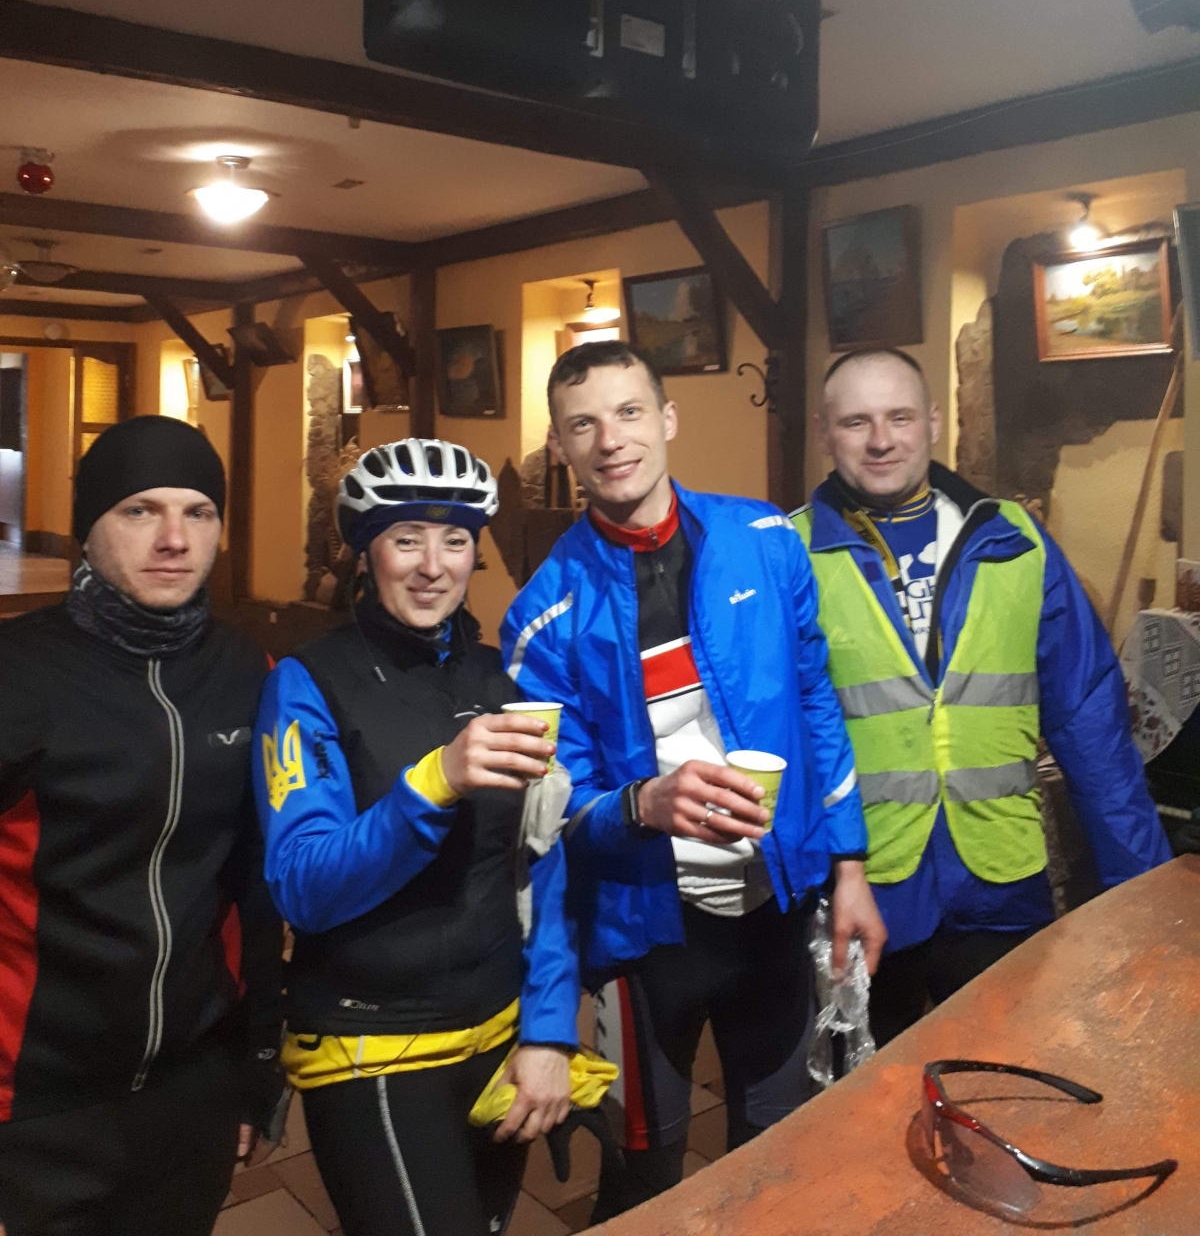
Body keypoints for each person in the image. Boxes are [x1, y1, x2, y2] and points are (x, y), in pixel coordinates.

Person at [501, 341, 885, 1217]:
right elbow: (552, 814)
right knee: (644, 1175)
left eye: (629, 412)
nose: (611, 440)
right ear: (560, 447)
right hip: (646, 939)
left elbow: (817, 704)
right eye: (583, 425)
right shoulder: (541, 615)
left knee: (778, 1155)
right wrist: (641, 804)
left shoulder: (765, 542)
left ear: (667, 419)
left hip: (775, 910)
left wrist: (850, 867)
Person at [794, 347, 1171, 1046]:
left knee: (1007, 1077)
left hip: (1003, 879)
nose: (881, 440)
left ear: (933, 421)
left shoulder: (1014, 540)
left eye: (901, 416)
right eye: (856, 422)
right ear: (824, 432)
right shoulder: (791, 554)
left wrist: (1141, 890)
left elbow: (1092, 725)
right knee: (871, 1095)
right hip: (866, 888)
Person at [254, 438, 579, 1236]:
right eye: (407, 539)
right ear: (367, 553)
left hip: (500, 1034)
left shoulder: (500, 680)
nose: (433, 566)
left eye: (456, 540)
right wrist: (435, 782)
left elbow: (540, 863)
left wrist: (550, 1031)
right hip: (371, 1041)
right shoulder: (307, 681)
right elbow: (303, 886)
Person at [0, 415, 284, 1236]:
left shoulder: (249, 673)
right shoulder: (17, 674)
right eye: (139, 510)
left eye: (199, 512)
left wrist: (257, 1062)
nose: (174, 540)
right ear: (88, 529)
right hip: (36, 1102)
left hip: (191, 1092)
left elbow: (256, 885)